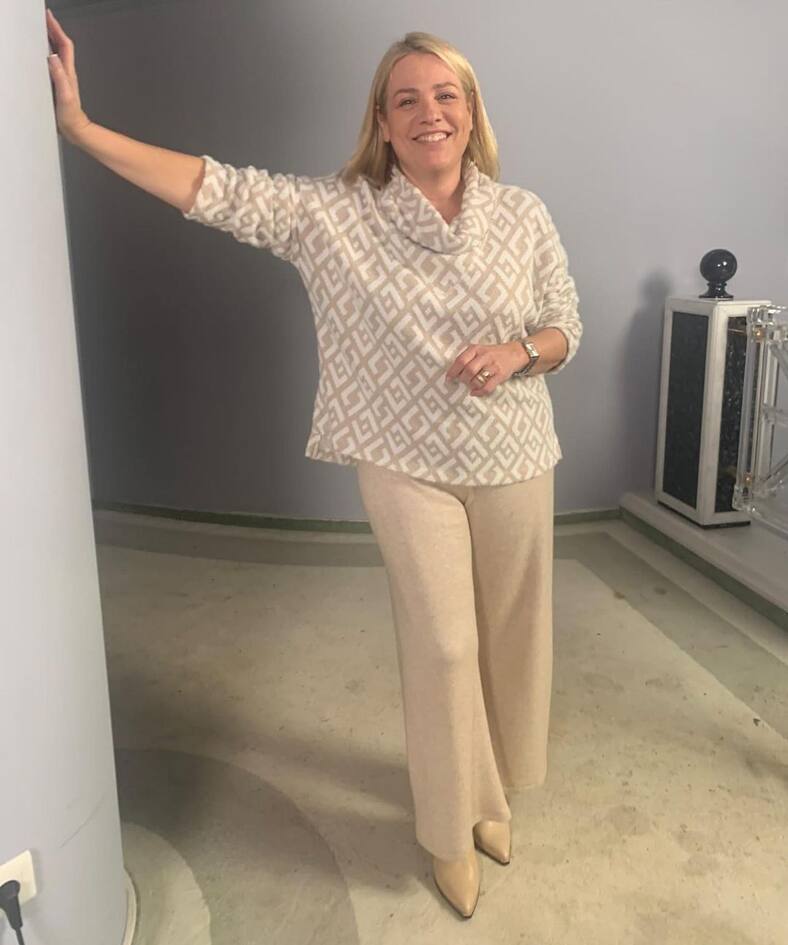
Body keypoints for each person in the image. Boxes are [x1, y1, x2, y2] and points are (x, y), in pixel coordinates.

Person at [46, 9, 582, 920]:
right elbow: (212, 189)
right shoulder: (334, 214)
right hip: (402, 459)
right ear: (382, 121)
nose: (429, 112)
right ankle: (450, 829)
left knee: (511, 636)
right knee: (446, 646)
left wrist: (519, 352)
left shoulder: (522, 213)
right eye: (406, 100)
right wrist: (82, 129)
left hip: (517, 454)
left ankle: (492, 788)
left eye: (445, 95)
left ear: (470, 110)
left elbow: (566, 323)